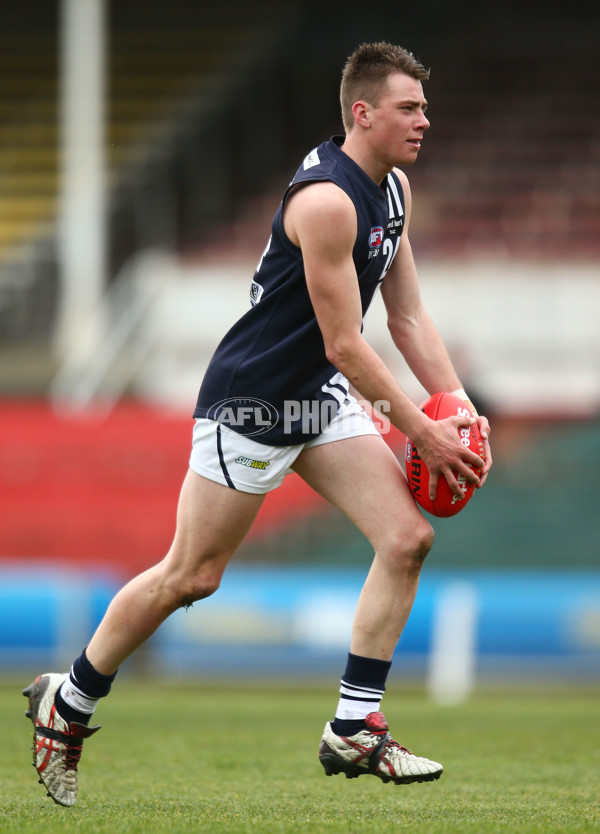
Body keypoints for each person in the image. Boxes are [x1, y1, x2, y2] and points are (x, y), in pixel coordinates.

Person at [23, 41, 492, 807]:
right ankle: (68, 698)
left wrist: (462, 411)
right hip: (256, 402)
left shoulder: (394, 189)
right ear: (363, 112)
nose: (424, 121)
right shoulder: (327, 201)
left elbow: (406, 315)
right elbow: (346, 342)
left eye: (425, 108)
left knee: (407, 538)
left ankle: (353, 726)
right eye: (410, 108)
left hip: (323, 394)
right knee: (191, 576)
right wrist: (423, 430)